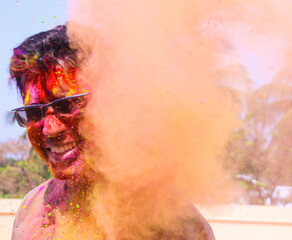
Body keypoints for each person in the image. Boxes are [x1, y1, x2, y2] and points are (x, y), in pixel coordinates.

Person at [10, 25, 215, 239]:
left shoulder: (170, 220)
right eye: (33, 112)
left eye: (68, 105)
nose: (51, 129)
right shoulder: (31, 209)